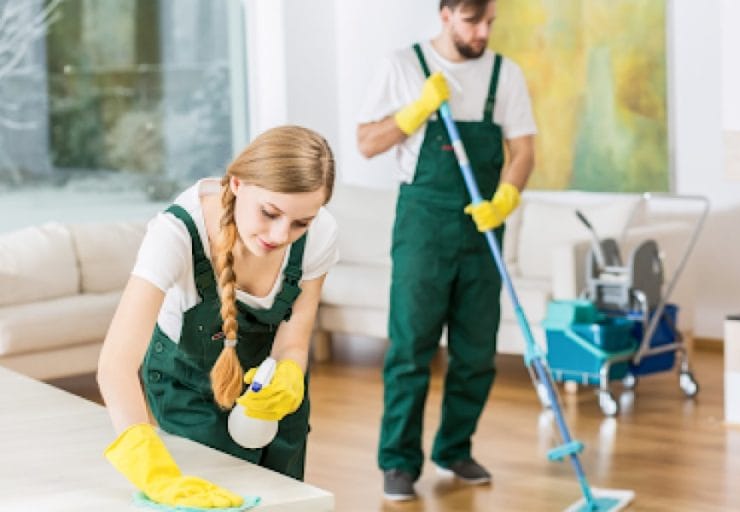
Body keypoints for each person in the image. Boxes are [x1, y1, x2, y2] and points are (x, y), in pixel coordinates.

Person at [96, 125, 339, 508]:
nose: (280, 234)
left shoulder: (321, 234)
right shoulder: (176, 234)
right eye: (270, 212)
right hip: (189, 382)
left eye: (300, 223)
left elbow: (293, 340)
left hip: (268, 387)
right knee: (212, 497)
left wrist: (289, 373)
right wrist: (153, 472)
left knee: (283, 500)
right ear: (238, 184)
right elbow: (115, 366)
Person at [356, 0, 536, 502]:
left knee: (476, 353)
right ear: (445, 14)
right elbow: (367, 142)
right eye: (472, 21)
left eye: (489, 23)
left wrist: (507, 197)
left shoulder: (506, 74)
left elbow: (522, 150)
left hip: (482, 229)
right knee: (411, 348)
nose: (482, 33)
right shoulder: (404, 66)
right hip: (423, 227)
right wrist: (413, 112)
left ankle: (454, 448)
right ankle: (397, 462)